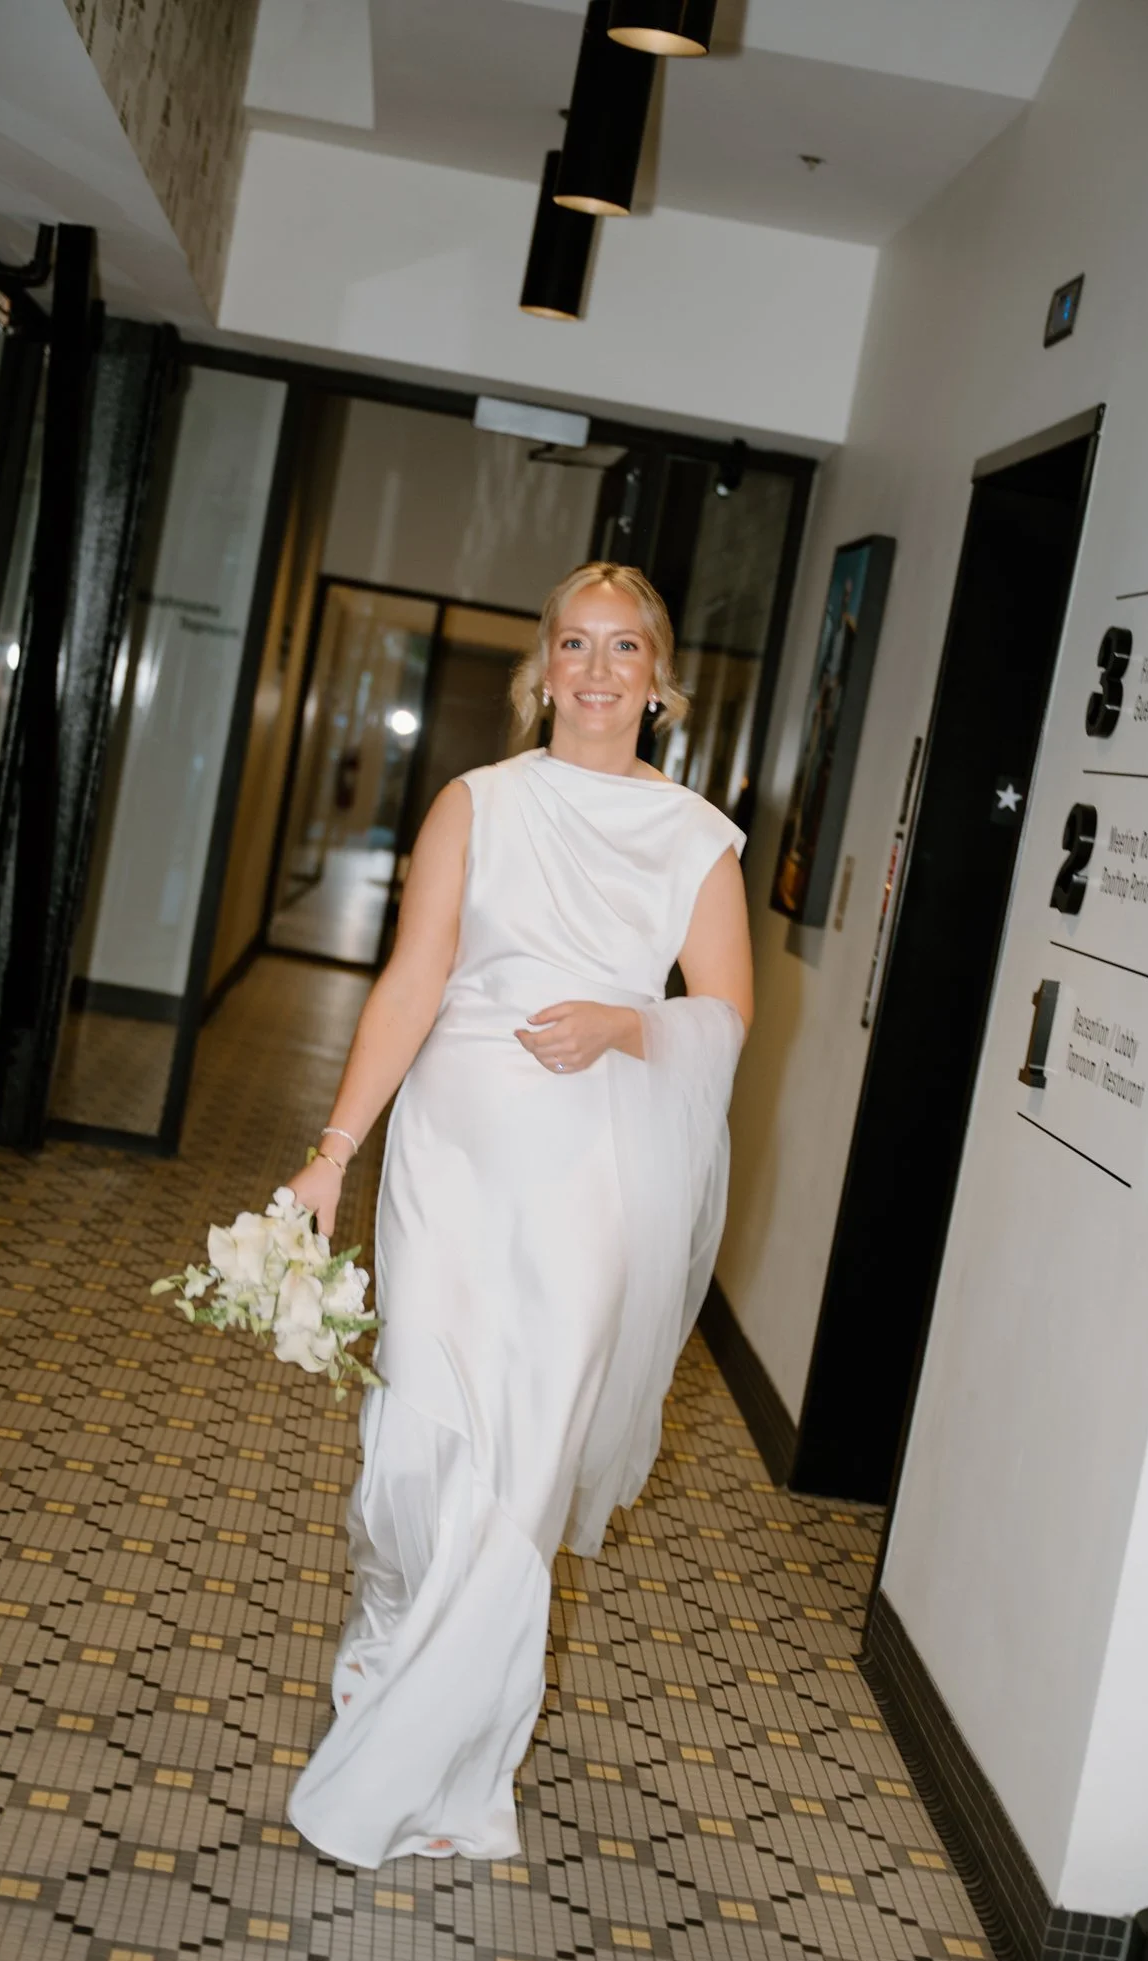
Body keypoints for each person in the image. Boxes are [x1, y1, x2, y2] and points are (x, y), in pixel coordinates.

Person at [283, 562, 753, 1866]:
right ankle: (393, 1671)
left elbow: (726, 1015)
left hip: (590, 1175)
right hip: (447, 1152)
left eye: (623, 649)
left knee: (519, 1460)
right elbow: (412, 976)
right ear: (540, 666)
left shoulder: (696, 840)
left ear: (658, 683)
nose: (596, 670)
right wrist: (333, 1155)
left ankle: (435, 1775)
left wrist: (628, 1019)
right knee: (411, 1447)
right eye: (573, 644)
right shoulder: (475, 803)